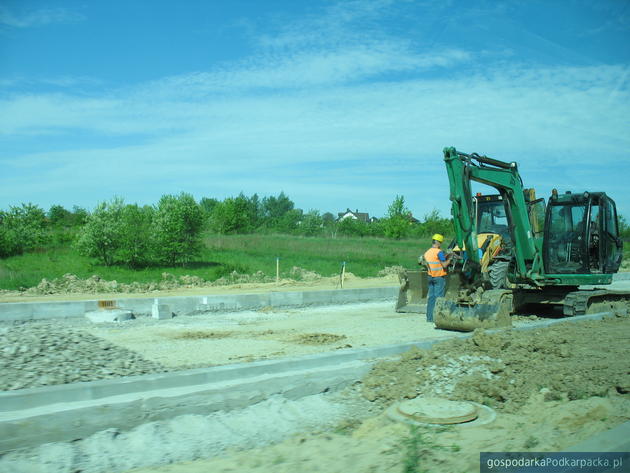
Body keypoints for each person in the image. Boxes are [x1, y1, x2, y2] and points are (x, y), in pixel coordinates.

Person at [422, 233, 452, 323]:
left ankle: (430, 318)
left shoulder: (427, 252)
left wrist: (445, 256)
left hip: (430, 277)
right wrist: (450, 259)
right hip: (439, 277)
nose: (440, 245)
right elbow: (444, 264)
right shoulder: (439, 252)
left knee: (431, 297)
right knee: (439, 298)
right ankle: (439, 318)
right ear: (438, 242)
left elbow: (434, 261)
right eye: (440, 243)